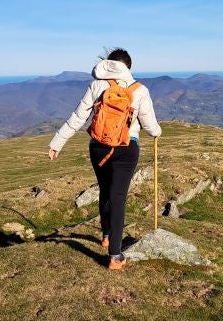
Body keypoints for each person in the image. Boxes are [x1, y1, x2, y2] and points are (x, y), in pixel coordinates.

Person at [48, 48, 161, 270]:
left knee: (104, 190)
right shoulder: (140, 90)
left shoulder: (97, 85)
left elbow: (78, 117)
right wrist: (158, 132)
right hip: (126, 148)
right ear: (128, 67)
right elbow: (149, 125)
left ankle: (107, 235)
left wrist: (57, 142)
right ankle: (115, 256)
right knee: (117, 197)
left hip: (98, 147)